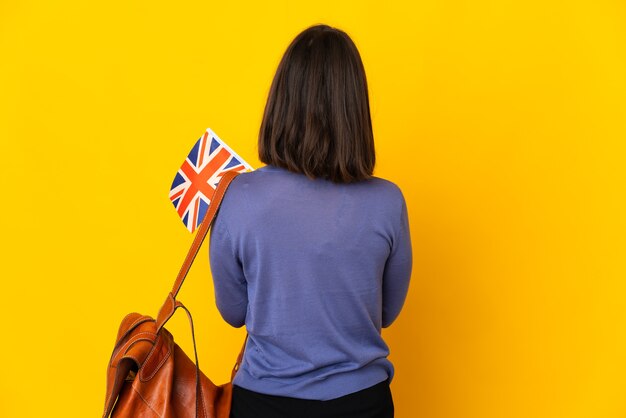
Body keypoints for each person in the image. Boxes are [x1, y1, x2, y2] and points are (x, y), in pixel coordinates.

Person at [209, 24, 412, 418]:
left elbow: (232, 313)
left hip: (261, 405)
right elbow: (385, 312)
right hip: (362, 404)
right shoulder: (388, 201)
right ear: (355, 109)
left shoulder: (236, 197)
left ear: (280, 102)